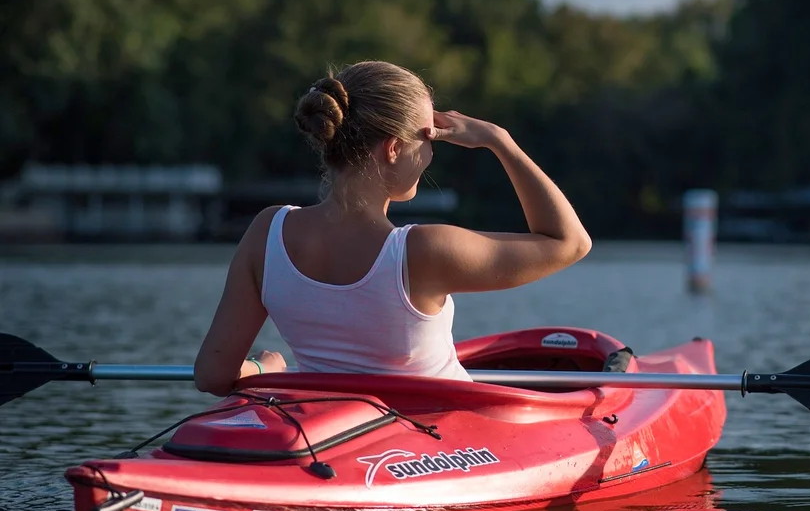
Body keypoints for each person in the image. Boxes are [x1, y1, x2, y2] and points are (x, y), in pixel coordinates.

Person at [193, 60, 592, 396]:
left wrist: (267, 372)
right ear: (394, 148)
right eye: (429, 137)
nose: (432, 152)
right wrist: (499, 141)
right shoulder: (424, 250)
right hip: (437, 448)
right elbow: (570, 242)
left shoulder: (268, 231)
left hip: (337, 439)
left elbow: (213, 375)